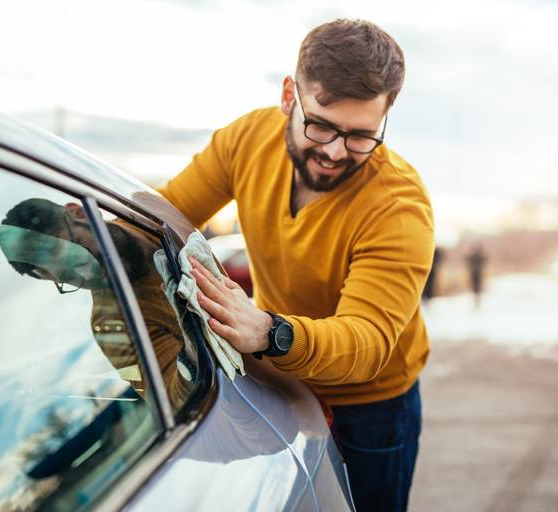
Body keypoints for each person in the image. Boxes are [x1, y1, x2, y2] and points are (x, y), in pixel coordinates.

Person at [157, 19, 434, 511]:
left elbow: (366, 341)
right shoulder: (246, 140)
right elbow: (168, 212)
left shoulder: (399, 206)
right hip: (283, 378)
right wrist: (81, 232)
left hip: (372, 403)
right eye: (321, 124)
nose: (333, 151)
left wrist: (268, 332)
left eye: (360, 136)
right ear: (290, 94)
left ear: (385, 118)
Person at [0, 197, 195, 409]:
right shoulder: (113, 327)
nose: (90, 273)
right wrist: (193, 343)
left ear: (80, 214)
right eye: (69, 278)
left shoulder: (148, 211)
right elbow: (175, 401)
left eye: (80, 254)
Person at [466, 242, 487, 309]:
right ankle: (476, 299)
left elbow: (485, 259)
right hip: (474, 273)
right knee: (475, 287)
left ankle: (477, 300)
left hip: (477, 273)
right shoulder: (474, 256)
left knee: (477, 287)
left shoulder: (478, 255)